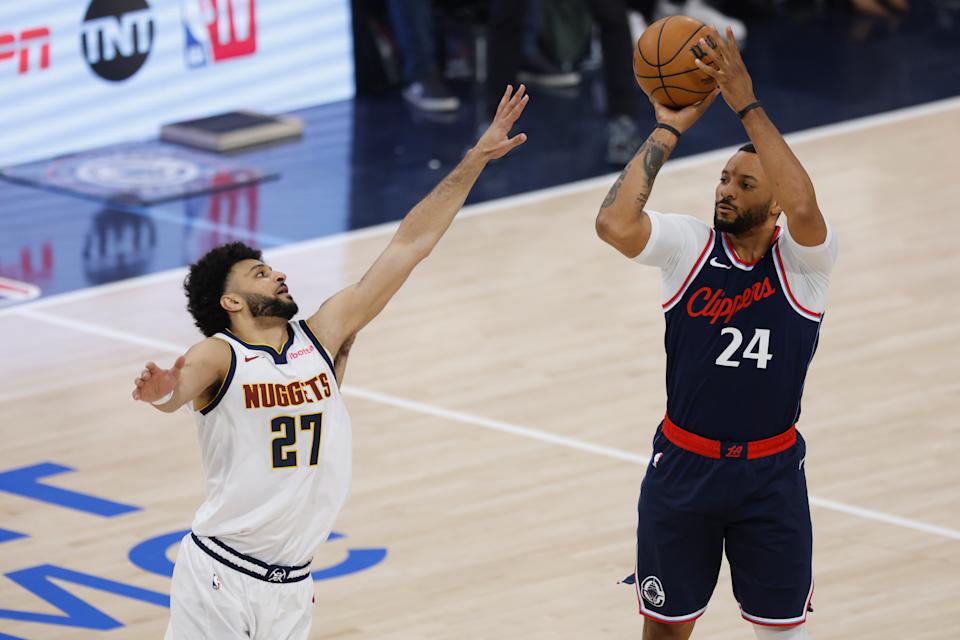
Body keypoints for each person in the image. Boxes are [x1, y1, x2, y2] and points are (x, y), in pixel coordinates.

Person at [131, 85, 529, 640]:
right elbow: (182, 390)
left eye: (270, 268)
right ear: (232, 303)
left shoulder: (323, 334)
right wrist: (165, 394)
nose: (277, 274)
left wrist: (475, 159)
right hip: (220, 575)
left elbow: (409, 245)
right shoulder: (221, 353)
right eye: (259, 274)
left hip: (293, 585)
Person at [595, 28, 836, 640]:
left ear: (775, 204)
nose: (726, 189)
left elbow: (807, 210)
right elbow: (615, 224)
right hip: (684, 469)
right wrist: (668, 128)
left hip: (771, 476)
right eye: (724, 179)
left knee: (782, 632)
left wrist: (746, 103)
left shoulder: (805, 264)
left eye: (745, 184)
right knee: (666, 632)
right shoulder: (691, 245)